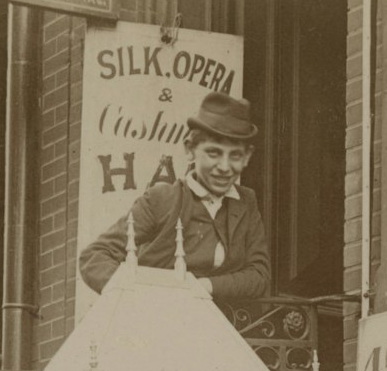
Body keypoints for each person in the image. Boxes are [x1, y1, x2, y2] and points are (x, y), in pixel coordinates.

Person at [78, 91, 270, 300]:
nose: (224, 167)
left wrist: (202, 286)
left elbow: (258, 275)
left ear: (247, 157)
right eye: (213, 153)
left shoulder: (246, 202)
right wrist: (140, 294)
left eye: (235, 155)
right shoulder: (162, 199)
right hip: (158, 321)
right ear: (190, 150)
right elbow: (94, 257)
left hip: (219, 325)